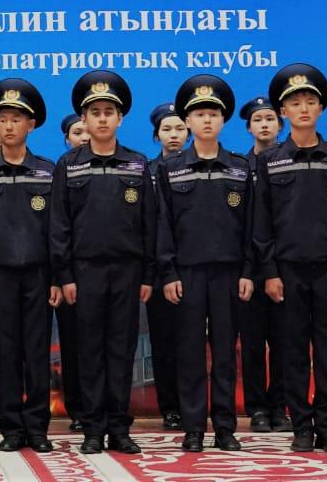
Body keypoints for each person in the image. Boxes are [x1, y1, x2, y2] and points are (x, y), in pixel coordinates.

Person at [253, 64, 327, 454]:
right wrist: (269, 271)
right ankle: (301, 425)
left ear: (320, 108)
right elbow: (261, 222)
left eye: (310, 102)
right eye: (295, 103)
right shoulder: (271, 161)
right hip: (288, 272)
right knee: (293, 351)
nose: (303, 109)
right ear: (283, 111)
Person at [50, 71, 154, 455]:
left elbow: (149, 224)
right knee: (89, 351)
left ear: (120, 118)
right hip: (84, 272)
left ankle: (119, 427)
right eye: (95, 113)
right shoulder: (69, 165)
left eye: (109, 112)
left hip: (127, 271)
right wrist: (64, 275)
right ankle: (93, 428)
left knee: (122, 351)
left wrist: (148, 275)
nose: (103, 119)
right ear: (84, 119)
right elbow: (59, 225)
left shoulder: (136, 164)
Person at [157, 75, 252, 453]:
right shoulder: (171, 168)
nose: (207, 120)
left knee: (226, 352)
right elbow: (163, 225)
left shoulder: (240, 168)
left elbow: (252, 225)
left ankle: (225, 427)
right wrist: (168, 272)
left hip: (229, 273)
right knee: (190, 352)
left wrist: (249, 271)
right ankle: (193, 427)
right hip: (187, 273)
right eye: (199, 114)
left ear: (223, 119)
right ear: (187, 121)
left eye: (213, 113)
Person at [0, 78, 58, 453]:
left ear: (31, 125)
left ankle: (37, 427)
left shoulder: (48, 171)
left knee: (36, 351)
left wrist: (57, 278)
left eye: (16, 119)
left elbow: (57, 230)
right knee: (5, 351)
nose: (8, 127)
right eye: (2, 119)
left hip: (38, 274)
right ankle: (11, 427)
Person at [237, 96, 289, 433]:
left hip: (282, 265)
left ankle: (279, 406)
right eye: (258, 120)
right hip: (248, 268)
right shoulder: (238, 167)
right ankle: (256, 407)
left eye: (270, 119)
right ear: (249, 128)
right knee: (253, 343)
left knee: (283, 341)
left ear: (280, 125)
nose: (264, 125)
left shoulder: (289, 161)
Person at [144, 102, 183, 432]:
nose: (174, 135)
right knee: (163, 342)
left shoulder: (198, 165)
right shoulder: (146, 172)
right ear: (157, 135)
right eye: (167, 129)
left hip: (193, 266)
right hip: (159, 270)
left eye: (179, 128)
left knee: (192, 342)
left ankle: (193, 403)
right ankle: (170, 407)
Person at [54, 112, 87, 431]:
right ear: (67, 139)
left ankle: (111, 412)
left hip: (113, 271)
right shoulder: (63, 168)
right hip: (72, 274)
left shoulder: (127, 164)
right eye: (77, 132)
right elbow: (57, 227)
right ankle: (79, 409)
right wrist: (62, 275)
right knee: (75, 344)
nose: (84, 136)